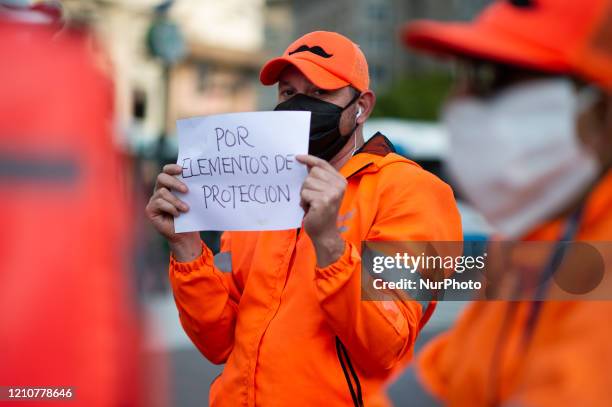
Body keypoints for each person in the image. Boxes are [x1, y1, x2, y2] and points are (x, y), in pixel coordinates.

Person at [146, 31, 462, 406]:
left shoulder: (415, 193)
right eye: (288, 94)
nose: (299, 107)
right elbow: (219, 342)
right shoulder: (257, 192)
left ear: (361, 105)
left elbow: (386, 346)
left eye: (319, 94)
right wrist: (187, 249)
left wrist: (329, 242)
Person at [403, 0, 612, 405]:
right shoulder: (527, 242)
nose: (459, 101)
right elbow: (441, 384)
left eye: (497, 80)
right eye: (466, 75)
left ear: (601, 114)